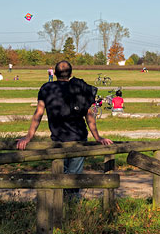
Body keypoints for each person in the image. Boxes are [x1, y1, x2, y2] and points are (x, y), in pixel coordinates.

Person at [16, 60, 112, 200]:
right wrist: (98, 137)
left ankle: (59, 208)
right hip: (78, 139)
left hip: (57, 139)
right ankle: (72, 209)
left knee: (60, 177)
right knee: (73, 179)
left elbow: (39, 113)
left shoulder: (47, 89)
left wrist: (28, 137)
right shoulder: (79, 88)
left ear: (54, 73)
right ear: (71, 73)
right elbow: (89, 115)